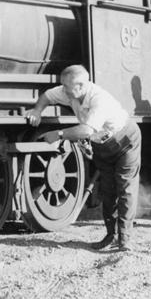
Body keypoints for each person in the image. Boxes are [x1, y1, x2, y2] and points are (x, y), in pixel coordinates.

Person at [25, 65, 141, 251]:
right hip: (102, 144)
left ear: (80, 86)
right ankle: (111, 236)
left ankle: (125, 239)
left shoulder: (99, 99)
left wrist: (59, 134)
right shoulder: (69, 92)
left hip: (124, 140)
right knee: (108, 190)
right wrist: (37, 110)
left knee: (124, 188)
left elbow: (86, 130)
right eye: (62, 86)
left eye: (67, 87)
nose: (63, 91)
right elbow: (47, 96)